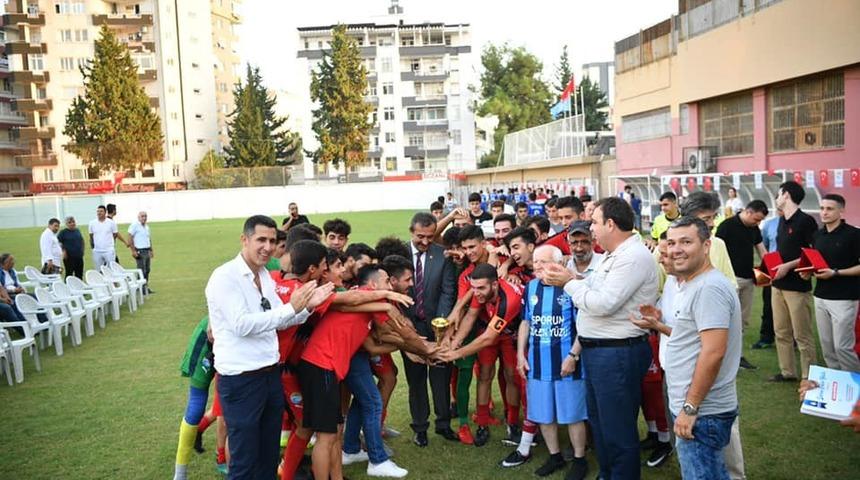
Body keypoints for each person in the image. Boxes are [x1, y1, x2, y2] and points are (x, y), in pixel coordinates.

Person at [204, 215, 333, 479]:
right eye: (261, 239)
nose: (267, 247)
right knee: (244, 460)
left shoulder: (263, 275)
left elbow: (281, 318)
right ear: (245, 239)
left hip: (269, 375)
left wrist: (307, 307)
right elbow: (242, 325)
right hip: (241, 381)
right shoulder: (225, 277)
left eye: (273, 241)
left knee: (267, 455)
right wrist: (292, 307)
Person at [540, 196, 657, 479]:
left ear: (610, 224)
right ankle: (608, 473)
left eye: (594, 222)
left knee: (617, 430)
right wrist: (572, 277)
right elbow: (591, 287)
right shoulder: (614, 256)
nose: (591, 229)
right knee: (602, 426)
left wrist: (567, 283)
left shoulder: (632, 257)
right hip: (601, 352)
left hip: (617, 352)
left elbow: (604, 303)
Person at [299, 264, 434, 480]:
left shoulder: (367, 302)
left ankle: (346, 462)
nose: (390, 284)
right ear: (373, 285)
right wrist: (428, 349)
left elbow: (376, 343)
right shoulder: (373, 298)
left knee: (333, 433)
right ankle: (375, 461)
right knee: (326, 437)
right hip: (321, 366)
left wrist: (417, 347)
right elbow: (402, 333)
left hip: (326, 368)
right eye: (386, 281)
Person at [637, 216, 742, 479]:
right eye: (671, 242)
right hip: (696, 408)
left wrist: (690, 408)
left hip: (702, 412)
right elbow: (694, 339)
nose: (675, 249)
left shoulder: (709, 288)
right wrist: (657, 323)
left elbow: (713, 352)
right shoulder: (695, 283)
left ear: (706, 246)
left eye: (686, 241)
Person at [509, 245, 589, 480]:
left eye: (543, 262)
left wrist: (573, 356)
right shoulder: (531, 288)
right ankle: (555, 456)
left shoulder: (572, 288)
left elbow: (585, 325)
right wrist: (521, 354)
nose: (537, 266)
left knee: (572, 414)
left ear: (559, 264)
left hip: (567, 364)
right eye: (535, 262)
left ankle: (579, 459)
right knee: (544, 414)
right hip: (537, 364)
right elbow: (525, 322)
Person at [440, 263, 529, 449]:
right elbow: (471, 316)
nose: (476, 292)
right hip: (488, 326)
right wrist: (454, 344)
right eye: (473, 288)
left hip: (511, 333)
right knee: (484, 374)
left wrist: (455, 353)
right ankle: (482, 422)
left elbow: (488, 338)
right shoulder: (480, 290)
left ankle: (512, 423)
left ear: (495, 285)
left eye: (480, 288)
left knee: (512, 375)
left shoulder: (509, 298)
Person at [403, 212, 457, 447]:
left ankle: (443, 424)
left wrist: (442, 323)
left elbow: (448, 290)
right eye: (420, 236)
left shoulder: (441, 255)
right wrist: (405, 329)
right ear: (411, 231)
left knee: (441, 376)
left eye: (430, 236)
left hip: (437, 327)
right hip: (408, 328)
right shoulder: (399, 255)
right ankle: (420, 427)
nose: (425, 241)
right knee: (416, 380)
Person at [802, 194, 860, 372]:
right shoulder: (817, 235)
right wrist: (809, 271)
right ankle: (836, 388)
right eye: (822, 208)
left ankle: (855, 388)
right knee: (827, 347)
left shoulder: (854, 234)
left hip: (845, 298)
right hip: (820, 296)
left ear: (841, 211)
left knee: (843, 347)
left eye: (829, 209)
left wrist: (835, 273)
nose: (824, 212)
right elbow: (818, 263)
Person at [770, 181, 819, 382]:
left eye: (779, 194)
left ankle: (809, 374)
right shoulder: (782, 220)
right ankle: (787, 371)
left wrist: (788, 266)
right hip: (778, 285)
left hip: (797, 287)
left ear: (787, 195)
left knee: (802, 334)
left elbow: (814, 252)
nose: (777, 198)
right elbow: (781, 251)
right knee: (781, 331)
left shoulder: (806, 221)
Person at [716, 200, 769, 369]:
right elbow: (715, 250)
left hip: (748, 279)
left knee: (742, 321)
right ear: (748, 211)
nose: (757, 223)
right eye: (756, 219)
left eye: (760, 221)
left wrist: (770, 268)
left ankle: (737, 357)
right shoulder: (727, 226)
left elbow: (761, 250)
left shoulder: (754, 229)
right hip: (729, 279)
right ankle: (722, 357)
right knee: (725, 319)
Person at [173, 315, 216, 480]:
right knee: (197, 407)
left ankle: (224, 459)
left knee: (228, 407)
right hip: (211, 338)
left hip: (245, 342)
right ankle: (180, 474)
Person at [753, 209, 782, 350]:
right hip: (772, 267)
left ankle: (793, 338)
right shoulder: (770, 224)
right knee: (768, 304)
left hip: (791, 269)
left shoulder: (801, 222)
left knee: (790, 307)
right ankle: (766, 337)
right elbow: (763, 245)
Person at [128, 211, 155, 294]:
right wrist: (133, 250)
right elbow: (130, 237)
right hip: (140, 251)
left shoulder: (146, 227)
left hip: (146, 250)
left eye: (145, 216)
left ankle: (145, 287)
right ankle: (140, 288)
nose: (144, 218)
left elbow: (148, 239)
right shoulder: (135, 225)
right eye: (142, 216)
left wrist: (151, 250)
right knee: (141, 270)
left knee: (147, 270)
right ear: (138, 217)